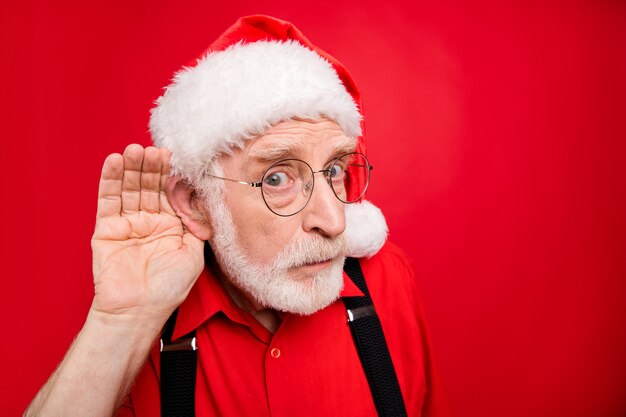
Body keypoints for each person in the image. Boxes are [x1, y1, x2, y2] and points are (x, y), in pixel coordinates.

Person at [26, 15, 450, 417]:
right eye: (278, 177)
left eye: (335, 169)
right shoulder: (149, 323)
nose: (334, 221)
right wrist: (120, 321)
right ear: (196, 204)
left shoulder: (389, 280)